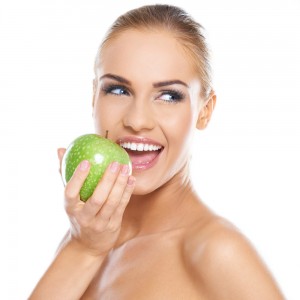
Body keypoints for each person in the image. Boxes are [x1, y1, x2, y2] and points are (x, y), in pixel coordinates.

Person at [29, 4, 284, 299]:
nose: (137, 120)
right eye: (118, 90)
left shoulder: (218, 252)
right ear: (93, 96)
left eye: (168, 95)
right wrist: (84, 247)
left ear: (205, 110)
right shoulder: (86, 238)